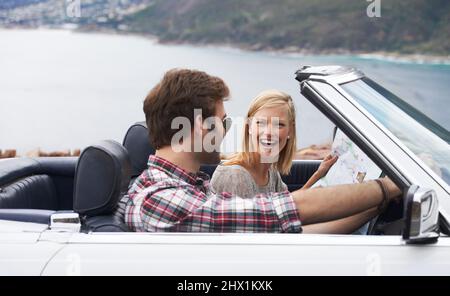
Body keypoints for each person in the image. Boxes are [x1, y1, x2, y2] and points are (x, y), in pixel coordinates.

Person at [115, 68, 402, 233]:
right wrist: (393, 184)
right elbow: (285, 210)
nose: (229, 129)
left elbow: (283, 223)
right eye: (224, 121)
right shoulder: (161, 201)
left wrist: (371, 205)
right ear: (202, 126)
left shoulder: (191, 186)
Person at [210, 90, 380, 234]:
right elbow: (265, 237)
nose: (268, 132)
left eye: (279, 125)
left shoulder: (270, 171)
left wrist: (320, 173)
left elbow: (289, 207)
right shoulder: (235, 175)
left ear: (290, 131)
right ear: (249, 127)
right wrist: (370, 209)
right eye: (261, 123)